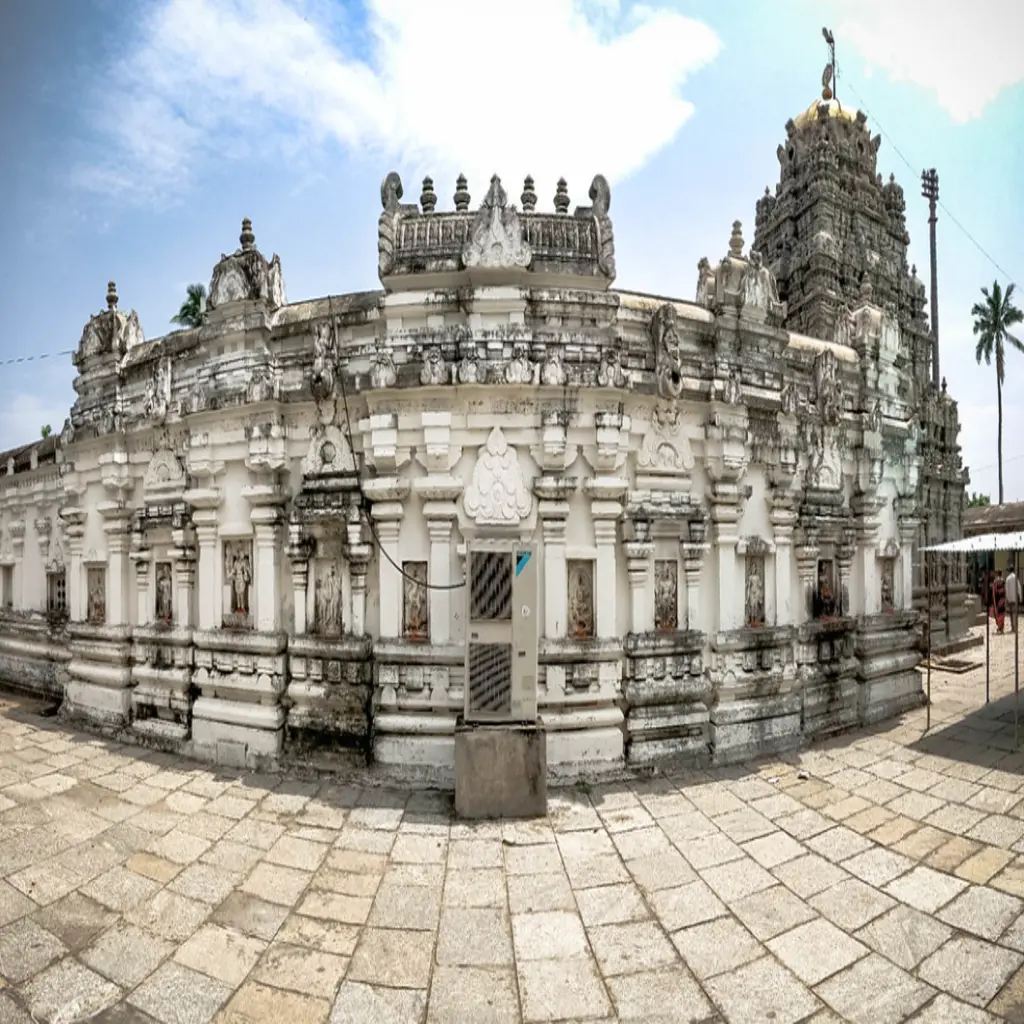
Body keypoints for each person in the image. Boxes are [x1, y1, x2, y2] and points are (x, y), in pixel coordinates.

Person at [991, 569, 1007, 634]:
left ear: (997, 574)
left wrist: (993, 599)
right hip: (1002, 599)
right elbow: (1005, 590)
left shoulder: (995, 581)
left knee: (997, 613)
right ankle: (1001, 627)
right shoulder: (1003, 580)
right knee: (1002, 613)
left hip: (997, 599)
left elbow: (994, 591)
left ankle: (1000, 627)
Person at [1007, 563, 1019, 634]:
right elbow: (1019, 587)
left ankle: (1012, 627)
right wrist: (1020, 596)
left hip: (1010, 598)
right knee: (1015, 613)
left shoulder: (1008, 578)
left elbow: (1007, 589)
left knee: (1011, 614)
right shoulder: (1015, 578)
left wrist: (1007, 598)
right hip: (1015, 598)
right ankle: (1015, 627)